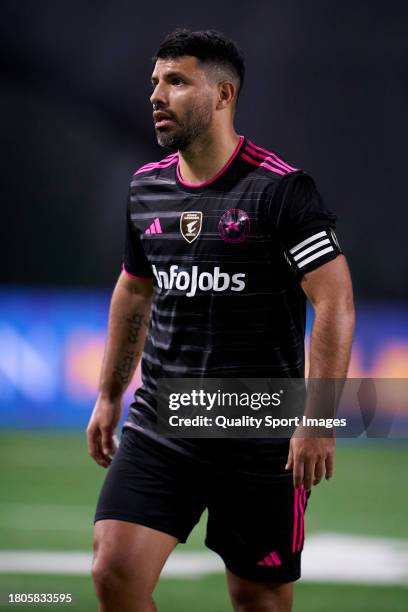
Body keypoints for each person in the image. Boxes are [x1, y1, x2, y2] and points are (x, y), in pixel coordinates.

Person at [87, 28, 355, 612]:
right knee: (114, 571)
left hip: (259, 434)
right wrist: (109, 395)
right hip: (162, 423)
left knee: (258, 600)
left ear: (223, 94)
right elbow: (134, 292)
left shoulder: (282, 191)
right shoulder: (146, 188)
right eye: (155, 81)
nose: (157, 94)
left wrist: (318, 420)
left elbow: (334, 301)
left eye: (177, 81)